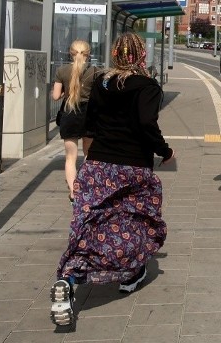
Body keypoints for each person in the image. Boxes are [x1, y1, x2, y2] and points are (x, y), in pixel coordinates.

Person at [51, 33, 175, 327]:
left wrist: (93, 162)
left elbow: (90, 123)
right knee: (138, 219)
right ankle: (131, 272)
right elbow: (146, 123)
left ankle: (68, 281)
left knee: (89, 221)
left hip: (98, 164)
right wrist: (165, 150)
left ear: (117, 54)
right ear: (141, 54)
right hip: (133, 167)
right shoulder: (147, 86)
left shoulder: (102, 82)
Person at [51, 40, 96, 203]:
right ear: (88, 54)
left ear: (70, 53)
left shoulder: (62, 70)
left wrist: (64, 92)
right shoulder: (94, 71)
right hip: (89, 115)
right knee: (89, 154)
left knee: (70, 157)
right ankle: (86, 185)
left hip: (70, 113)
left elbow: (56, 96)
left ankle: (73, 191)